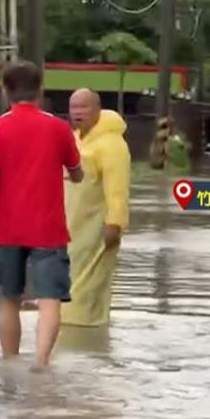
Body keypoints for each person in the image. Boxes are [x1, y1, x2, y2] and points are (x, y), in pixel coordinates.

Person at [0, 61, 83, 367]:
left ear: (5, 91)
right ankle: (41, 364)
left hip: (9, 230)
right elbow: (77, 173)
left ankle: (10, 363)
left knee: (9, 299)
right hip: (49, 230)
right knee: (50, 300)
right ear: (40, 90)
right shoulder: (59, 128)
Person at [61, 89, 131, 327]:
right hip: (70, 228)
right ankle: (68, 333)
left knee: (85, 288)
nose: (78, 113)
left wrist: (115, 223)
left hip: (96, 229)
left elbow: (118, 189)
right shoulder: (74, 139)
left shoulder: (112, 144)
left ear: (98, 108)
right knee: (66, 284)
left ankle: (82, 334)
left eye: (84, 107)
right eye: (74, 107)